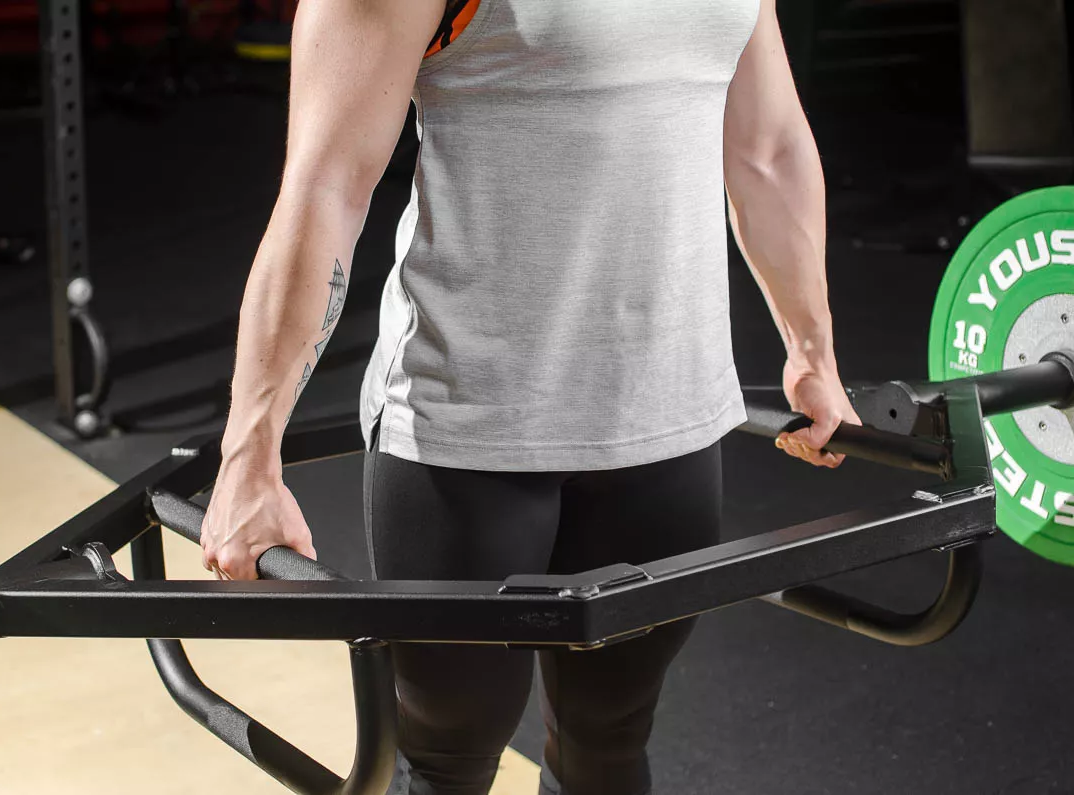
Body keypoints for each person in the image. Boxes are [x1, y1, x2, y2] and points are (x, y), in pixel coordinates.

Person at [200, 1, 862, 793]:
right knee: (447, 753)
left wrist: (813, 352)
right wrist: (249, 454)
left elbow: (767, 147)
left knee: (609, 737)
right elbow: (325, 186)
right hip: (469, 427)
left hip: (669, 420)